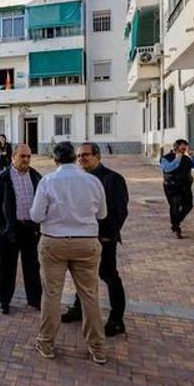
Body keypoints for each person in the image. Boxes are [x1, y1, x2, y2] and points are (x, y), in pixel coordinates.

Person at [30, 141, 108, 365]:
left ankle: (46, 343)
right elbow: (102, 214)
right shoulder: (93, 181)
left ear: (55, 160)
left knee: (52, 295)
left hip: (54, 242)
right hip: (86, 242)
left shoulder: (48, 181)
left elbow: (36, 216)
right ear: (75, 158)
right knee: (90, 295)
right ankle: (98, 348)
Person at [62, 143, 130, 337]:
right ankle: (78, 309)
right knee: (82, 274)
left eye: (86, 155)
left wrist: (108, 235)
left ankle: (117, 320)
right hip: (82, 237)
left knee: (109, 277)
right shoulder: (79, 179)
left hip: (103, 239)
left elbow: (119, 211)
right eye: (79, 156)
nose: (82, 158)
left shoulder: (113, 179)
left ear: (97, 156)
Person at [0, 143, 42, 315]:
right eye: (22, 156)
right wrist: (2, 228)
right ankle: (4, 301)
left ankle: (35, 299)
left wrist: (38, 226)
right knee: (6, 268)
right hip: (10, 230)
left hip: (30, 229)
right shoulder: (2, 178)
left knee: (32, 266)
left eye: (28, 156)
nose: (26, 159)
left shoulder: (36, 176)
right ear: (13, 157)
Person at [161, 139, 194, 239]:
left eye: (185, 147)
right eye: (182, 147)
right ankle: (176, 227)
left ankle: (176, 222)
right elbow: (167, 169)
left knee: (188, 205)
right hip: (172, 186)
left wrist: (192, 155)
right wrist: (177, 159)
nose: (184, 149)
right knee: (175, 206)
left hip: (185, 186)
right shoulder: (166, 158)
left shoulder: (187, 158)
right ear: (176, 147)